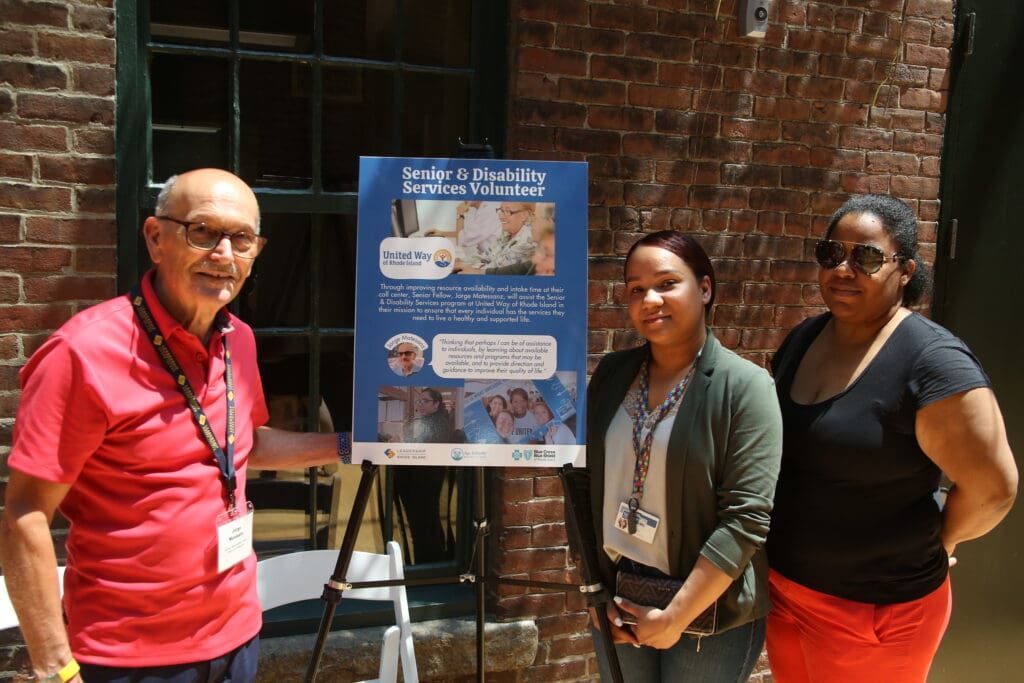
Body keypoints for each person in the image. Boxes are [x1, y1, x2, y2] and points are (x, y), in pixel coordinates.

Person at [0, 169, 345, 683]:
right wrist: (54, 668)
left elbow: (244, 445)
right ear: (156, 238)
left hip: (237, 635)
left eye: (242, 239)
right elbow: (25, 512)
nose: (223, 254)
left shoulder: (239, 340)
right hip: (130, 657)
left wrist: (353, 444)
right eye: (202, 232)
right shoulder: (84, 353)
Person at [765, 194, 1017, 683]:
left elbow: (994, 489)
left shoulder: (933, 364)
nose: (843, 269)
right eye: (831, 254)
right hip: (788, 597)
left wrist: (938, 541)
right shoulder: (803, 339)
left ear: (905, 270)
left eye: (867, 257)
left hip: (878, 614)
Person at [579, 230, 782, 682]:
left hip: (708, 613)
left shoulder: (744, 387)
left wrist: (676, 616)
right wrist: (594, 588)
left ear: (705, 289)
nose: (649, 299)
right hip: (620, 597)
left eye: (667, 283)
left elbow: (746, 519)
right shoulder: (613, 374)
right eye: (636, 289)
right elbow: (582, 483)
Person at [394, 388, 456, 564]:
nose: (420, 404)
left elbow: (423, 450)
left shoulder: (438, 423)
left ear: (436, 404)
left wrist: (402, 444)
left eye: (425, 401)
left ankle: (428, 563)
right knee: (426, 521)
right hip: (420, 478)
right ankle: (431, 562)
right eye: (419, 401)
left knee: (424, 522)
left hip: (424, 479)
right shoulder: (429, 421)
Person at [425, 200, 502, 260]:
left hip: (494, 260)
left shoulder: (487, 211)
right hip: (489, 257)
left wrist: (460, 214)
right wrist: (442, 233)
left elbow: (462, 239)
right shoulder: (485, 208)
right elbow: (466, 234)